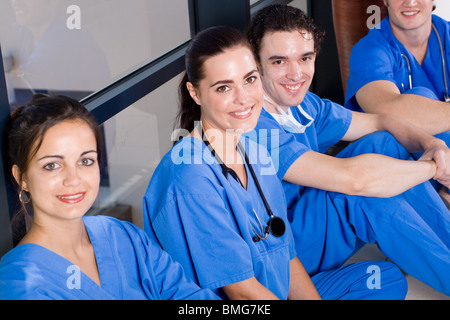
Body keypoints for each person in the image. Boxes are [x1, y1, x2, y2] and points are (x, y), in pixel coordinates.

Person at [143, 25, 408, 300]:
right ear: (195, 93)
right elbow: (242, 291)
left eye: (250, 79)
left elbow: (288, 259)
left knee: (384, 280)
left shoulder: (255, 154)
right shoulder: (189, 177)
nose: (243, 98)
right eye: (224, 87)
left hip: (273, 292)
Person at [246, 4, 450, 295]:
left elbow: (382, 121)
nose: (295, 74)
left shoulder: (305, 105)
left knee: (384, 142)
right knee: (367, 197)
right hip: (280, 252)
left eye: (304, 58)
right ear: (255, 62)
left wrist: (434, 145)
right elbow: (356, 181)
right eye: (279, 62)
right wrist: (432, 167)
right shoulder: (253, 124)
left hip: (310, 227)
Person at [0, 94, 218, 300]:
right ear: (22, 178)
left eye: (85, 161)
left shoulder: (122, 236)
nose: (73, 179)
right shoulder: (17, 284)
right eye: (52, 165)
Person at [345, 0, 450, 199]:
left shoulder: (447, 35)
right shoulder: (369, 51)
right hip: (398, 176)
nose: (410, 2)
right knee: (420, 97)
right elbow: (387, 111)